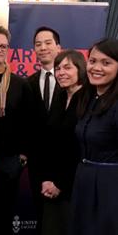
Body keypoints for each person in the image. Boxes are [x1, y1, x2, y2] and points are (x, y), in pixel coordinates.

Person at [0, 25, 32, 235]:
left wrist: (21, 156)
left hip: (8, 161)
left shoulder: (21, 84)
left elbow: (30, 122)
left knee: (3, 216)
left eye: (3, 46)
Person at [71, 39, 118, 235]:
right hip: (84, 179)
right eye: (92, 61)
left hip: (111, 186)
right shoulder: (86, 97)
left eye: (106, 63)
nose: (96, 68)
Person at [40, 50, 86, 235]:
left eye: (67, 67)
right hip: (50, 184)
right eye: (58, 68)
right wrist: (47, 179)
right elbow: (50, 142)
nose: (61, 73)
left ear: (80, 69)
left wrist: (61, 184)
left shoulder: (89, 99)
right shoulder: (59, 97)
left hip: (75, 186)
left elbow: (79, 149)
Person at [27, 26, 62, 233]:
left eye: (48, 43)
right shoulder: (27, 83)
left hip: (66, 163)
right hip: (37, 164)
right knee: (41, 216)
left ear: (59, 47)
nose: (43, 48)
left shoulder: (75, 81)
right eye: (38, 44)